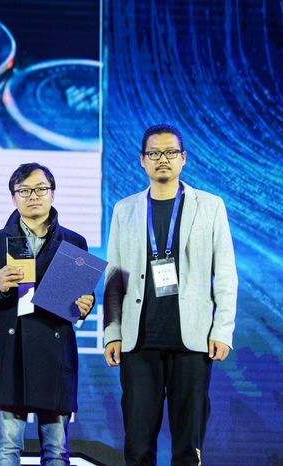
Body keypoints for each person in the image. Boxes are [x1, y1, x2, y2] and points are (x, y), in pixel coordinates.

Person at [103, 124, 238, 465]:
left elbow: (225, 274)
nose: (162, 159)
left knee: (187, 450)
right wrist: (112, 333)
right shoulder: (125, 209)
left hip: (192, 342)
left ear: (183, 158)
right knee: (137, 449)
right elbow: (115, 276)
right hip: (139, 342)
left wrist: (222, 329)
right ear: (142, 160)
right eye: (154, 153)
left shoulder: (210, 206)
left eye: (170, 152)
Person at [0, 163, 95, 465]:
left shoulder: (74, 242)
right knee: (6, 448)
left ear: (53, 194)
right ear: (13, 198)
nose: (33, 196)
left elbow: (79, 302)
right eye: (24, 190)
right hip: (11, 354)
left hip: (55, 354)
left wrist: (85, 306)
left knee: (56, 451)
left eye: (40, 189)